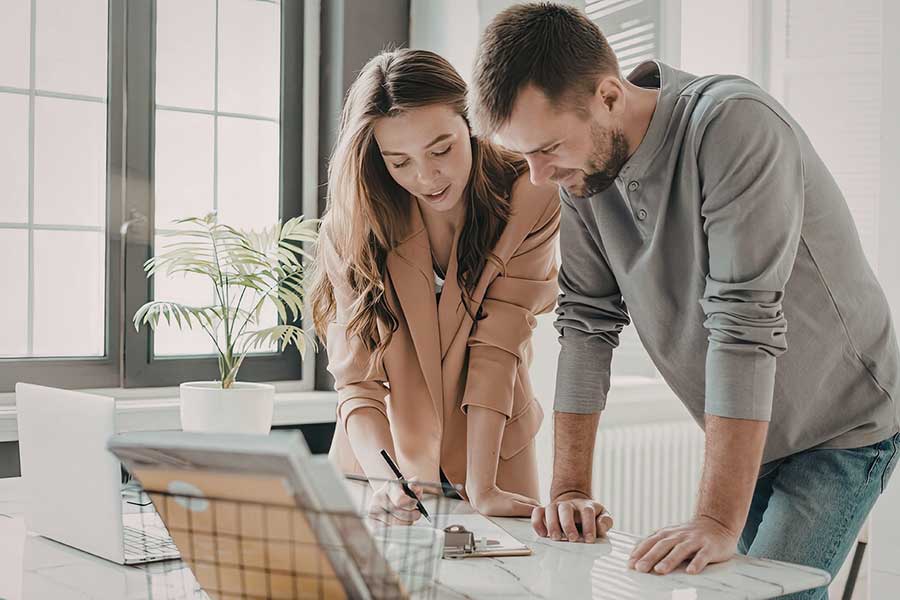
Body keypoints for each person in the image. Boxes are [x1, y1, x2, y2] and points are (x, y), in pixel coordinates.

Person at [468, 2, 900, 595]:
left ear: (610, 97)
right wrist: (568, 489)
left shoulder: (734, 125)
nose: (538, 176)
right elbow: (587, 323)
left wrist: (717, 520)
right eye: (525, 156)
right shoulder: (583, 174)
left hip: (841, 423)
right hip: (760, 431)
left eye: (547, 148)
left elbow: (742, 322)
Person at [309, 48, 560, 525]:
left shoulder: (530, 192)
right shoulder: (353, 224)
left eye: (441, 149)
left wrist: (483, 487)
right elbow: (357, 384)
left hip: (494, 457)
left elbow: (499, 345)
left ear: (472, 121)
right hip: (382, 464)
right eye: (399, 162)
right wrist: (388, 483)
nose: (426, 177)